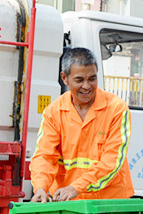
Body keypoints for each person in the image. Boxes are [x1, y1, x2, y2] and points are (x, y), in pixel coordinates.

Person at [30, 47, 134, 202]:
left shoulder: (117, 109)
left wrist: (76, 187)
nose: (86, 86)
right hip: (66, 202)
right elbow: (44, 156)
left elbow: (112, 161)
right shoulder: (53, 111)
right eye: (79, 80)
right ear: (64, 78)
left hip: (109, 204)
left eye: (92, 79)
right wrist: (40, 187)